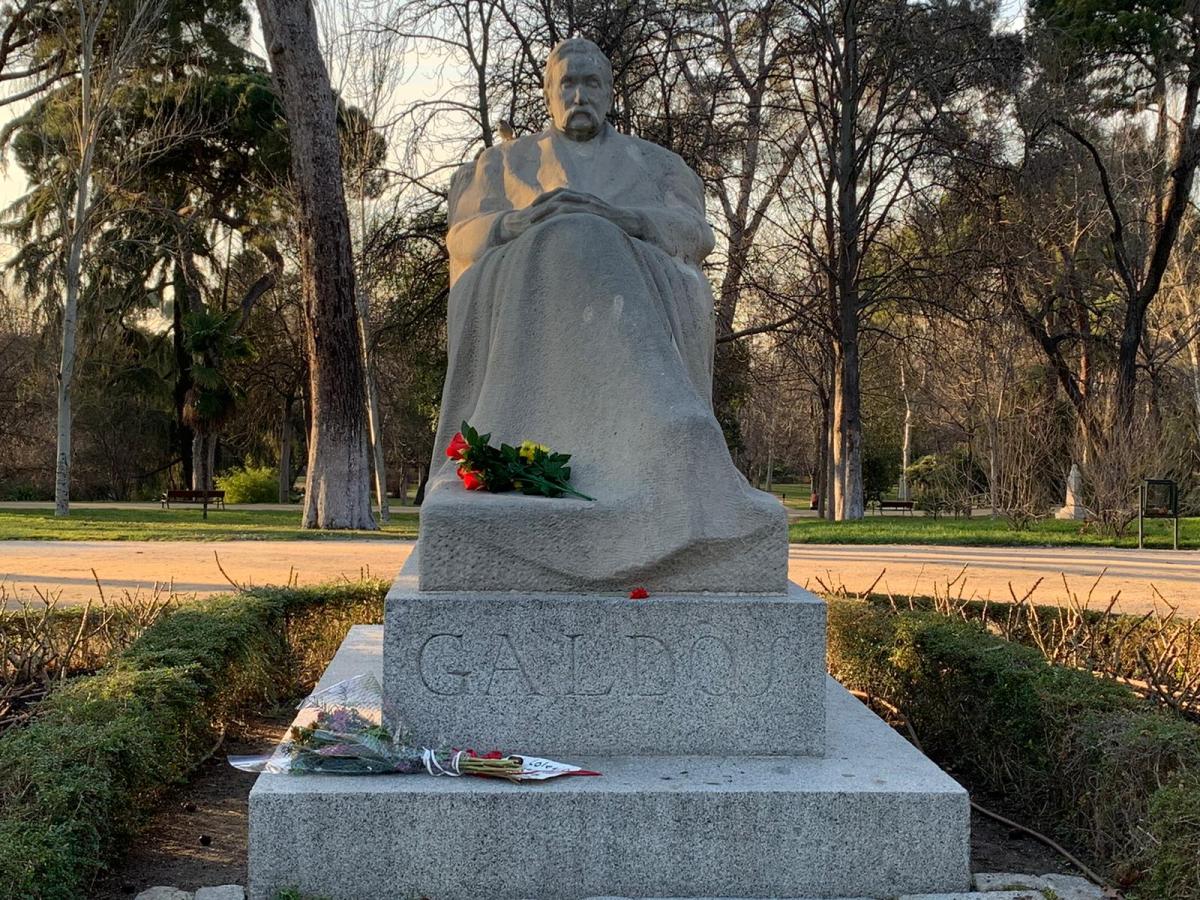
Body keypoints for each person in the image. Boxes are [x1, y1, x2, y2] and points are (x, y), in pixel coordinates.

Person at [418, 38, 787, 594]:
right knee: (568, 232)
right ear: (548, 92)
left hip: (634, 286)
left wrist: (622, 221)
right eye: (567, 83)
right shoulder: (503, 164)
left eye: (591, 83)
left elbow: (695, 235)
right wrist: (512, 227)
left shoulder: (656, 164)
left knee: (587, 231)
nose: (579, 94)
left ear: (611, 93)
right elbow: (461, 238)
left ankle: (663, 434)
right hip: (527, 301)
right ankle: (523, 453)